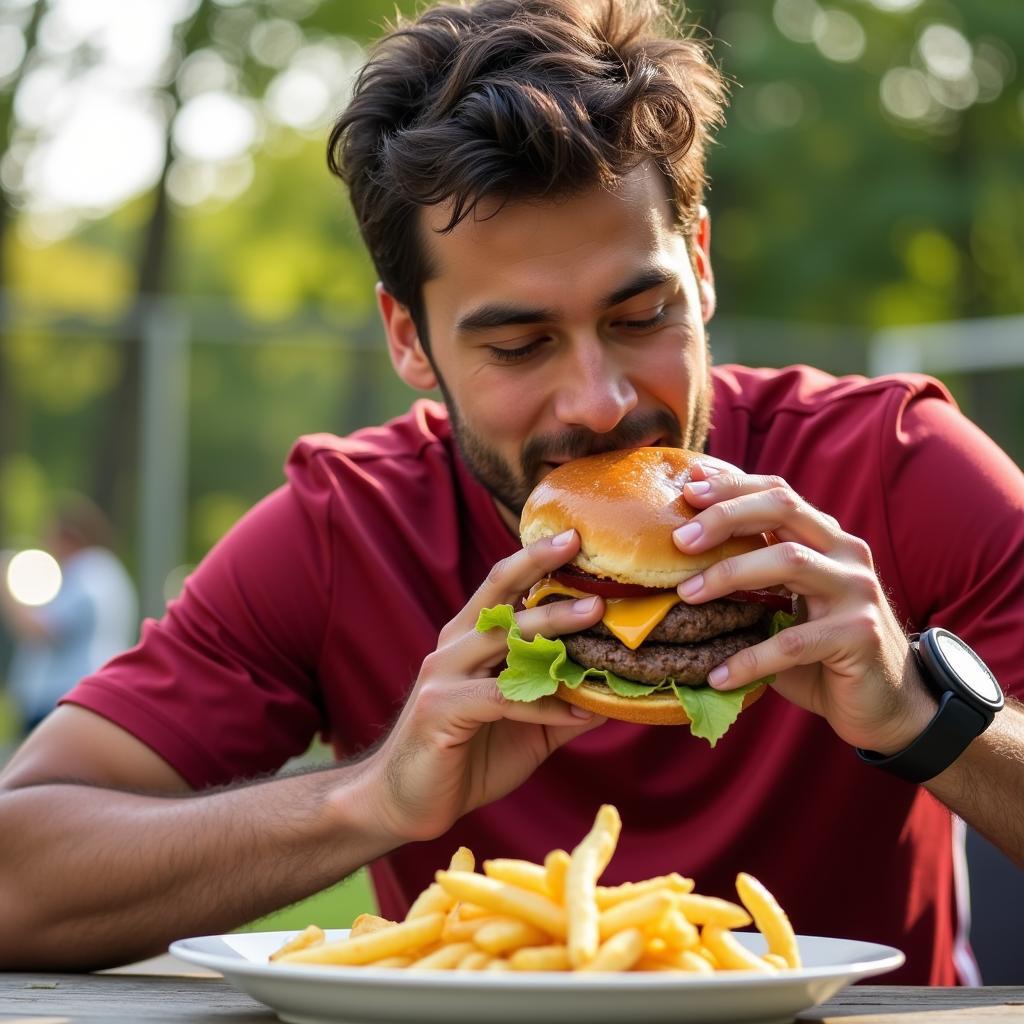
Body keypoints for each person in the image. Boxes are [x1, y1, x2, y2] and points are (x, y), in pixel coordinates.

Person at [0, 0, 1021, 982]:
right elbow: (17, 873)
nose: (601, 399)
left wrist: (917, 713)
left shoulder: (893, 465)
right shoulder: (341, 531)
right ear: (409, 337)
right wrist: (372, 798)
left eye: (640, 313)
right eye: (519, 342)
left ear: (699, 267)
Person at [0, 495, 138, 734]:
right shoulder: (102, 573)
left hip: (64, 699)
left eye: (50, 535)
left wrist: (5, 588)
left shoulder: (89, 571)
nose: (47, 544)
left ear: (70, 536)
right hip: (76, 698)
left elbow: (43, 630)